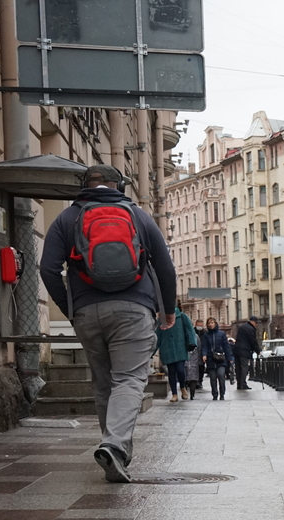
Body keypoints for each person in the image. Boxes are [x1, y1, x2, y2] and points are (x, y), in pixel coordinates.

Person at [39, 163, 176, 483]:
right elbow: (165, 267)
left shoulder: (67, 217)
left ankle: (114, 449)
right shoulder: (138, 215)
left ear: (84, 185)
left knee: (103, 383)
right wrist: (167, 309)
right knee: (128, 380)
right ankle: (114, 445)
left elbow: (48, 269)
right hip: (134, 309)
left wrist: (70, 308)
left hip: (87, 312)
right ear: (119, 187)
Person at [156, 301, 197, 402]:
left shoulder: (182, 317)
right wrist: (151, 352)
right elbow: (156, 337)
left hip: (180, 348)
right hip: (167, 349)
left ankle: (183, 388)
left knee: (180, 369)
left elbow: (190, 330)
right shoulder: (161, 319)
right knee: (171, 371)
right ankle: (174, 394)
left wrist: (192, 343)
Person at [200, 318, 234, 400]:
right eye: (209, 323)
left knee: (221, 375)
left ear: (215, 323)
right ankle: (215, 394)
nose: (211, 324)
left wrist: (230, 358)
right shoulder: (206, 335)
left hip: (221, 359)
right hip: (211, 360)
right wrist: (204, 355)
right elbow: (204, 346)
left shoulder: (221, 334)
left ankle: (222, 393)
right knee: (213, 378)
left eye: (212, 323)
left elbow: (226, 347)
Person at [234, 315, 260, 390]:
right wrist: (258, 351)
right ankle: (243, 384)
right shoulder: (251, 329)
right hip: (244, 351)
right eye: (256, 323)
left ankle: (239, 384)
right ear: (252, 322)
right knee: (244, 367)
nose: (256, 324)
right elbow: (253, 341)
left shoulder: (242, 327)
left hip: (237, 350)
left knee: (238, 368)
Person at [184, 319, 204, 399]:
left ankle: (191, 394)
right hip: (187, 358)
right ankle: (185, 392)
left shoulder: (195, 336)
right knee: (186, 377)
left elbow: (199, 348)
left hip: (193, 359)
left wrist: (199, 360)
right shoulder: (194, 336)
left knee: (192, 377)